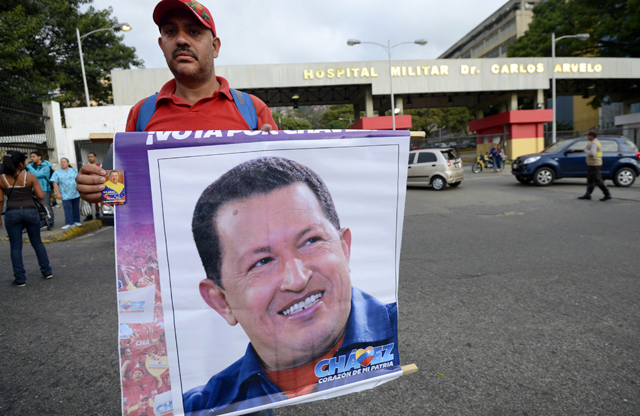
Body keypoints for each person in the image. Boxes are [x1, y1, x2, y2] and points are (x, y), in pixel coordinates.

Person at [186, 157, 399, 414]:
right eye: (262, 262)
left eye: (310, 241)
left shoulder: (408, 336)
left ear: (344, 249)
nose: (297, 280)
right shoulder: (198, 408)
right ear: (221, 301)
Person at [75, 0, 276, 203]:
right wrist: (97, 187)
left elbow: (277, 192)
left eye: (194, 31)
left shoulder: (252, 109)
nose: (181, 40)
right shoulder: (142, 113)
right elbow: (125, 191)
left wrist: (275, 161)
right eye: (171, 31)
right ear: (162, 46)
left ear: (215, 47)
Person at [0, 151, 53, 286]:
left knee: (15, 247)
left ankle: (20, 279)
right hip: (30, 212)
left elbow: (0, 200)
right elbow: (41, 196)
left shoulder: (2, 179)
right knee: (37, 242)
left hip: (12, 213)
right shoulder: (29, 177)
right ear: (20, 164)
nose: (27, 163)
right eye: (25, 161)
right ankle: (47, 271)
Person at [578, 130, 612, 201]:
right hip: (593, 163)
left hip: (594, 164)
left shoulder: (594, 143)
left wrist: (585, 150)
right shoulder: (594, 143)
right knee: (591, 179)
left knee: (597, 179)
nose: (587, 137)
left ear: (592, 136)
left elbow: (592, 153)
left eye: (588, 135)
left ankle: (607, 194)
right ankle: (587, 194)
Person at [25, 151, 54, 230]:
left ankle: (50, 222)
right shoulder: (31, 166)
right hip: (34, 189)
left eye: (34, 156)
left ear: (39, 157)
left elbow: (38, 174)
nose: (32, 158)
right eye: (31, 157)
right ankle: (43, 221)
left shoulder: (46, 166)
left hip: (44, 189)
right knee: (38, 207)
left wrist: (29, 167)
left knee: (46, 206)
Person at [51, 158, 82, 230]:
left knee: (75, 207)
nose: (63, 163)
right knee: (67, 208)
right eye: (61, 162)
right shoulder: (57, 172)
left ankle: (76, 221)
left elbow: (79, 180)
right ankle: (69, 223)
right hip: (65, 193)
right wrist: (58, 193)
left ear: (68, 163)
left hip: (75, 192)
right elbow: (54, 183)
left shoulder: (74, 170)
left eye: (65, 162)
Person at [84, 152, 101, 221]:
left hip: (97, 185)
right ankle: (89, 214)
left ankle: (98, 213)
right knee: (89, 200)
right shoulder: (85, 166)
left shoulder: (99, 165)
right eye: (89, 157)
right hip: (88, 185)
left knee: (97, 199)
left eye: (91, 157)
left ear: (95, 157)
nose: (90, 158)